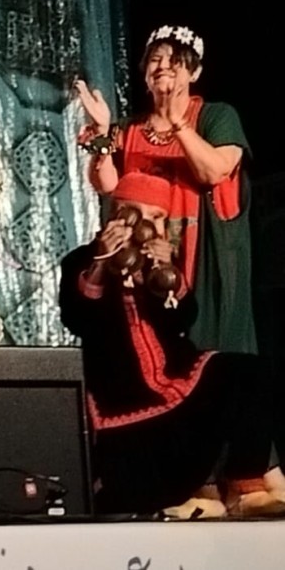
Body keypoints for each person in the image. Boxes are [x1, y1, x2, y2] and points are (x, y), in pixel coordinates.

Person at [58, 171, 284, 518]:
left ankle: (247, 486)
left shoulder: (158, 266)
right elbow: (77, 318)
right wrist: (102, 263)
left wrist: (167, 274)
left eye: (158, 217)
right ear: (117, 214)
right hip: (126, 402)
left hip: (177, 382)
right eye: (139, 214)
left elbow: (183, 318)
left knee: (251, 372)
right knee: (135, 497)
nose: (148, 225)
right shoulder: (82, 259)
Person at [75, 25, 253, 356]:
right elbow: (107, 185)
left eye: (176, 61)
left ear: (195, 72)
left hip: (198, 258)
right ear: (145, 73)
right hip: (140, 265)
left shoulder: (215, 117)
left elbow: (214, 170)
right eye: (156, 60)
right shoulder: (129, 128)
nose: (164, 67)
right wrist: (102, 133)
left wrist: (178, 123)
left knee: (205, 360)